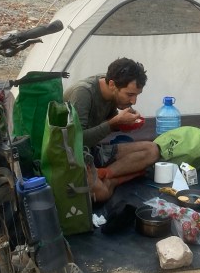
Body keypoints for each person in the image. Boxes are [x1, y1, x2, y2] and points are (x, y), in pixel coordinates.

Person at [65, 58, 161, 203]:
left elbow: (108, 120)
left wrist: (123, 123)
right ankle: (113, 181)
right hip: (74, 157)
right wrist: (113, 124)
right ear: (112, 85)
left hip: (93, 150)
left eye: (136, 95)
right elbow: (76, 141)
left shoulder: (111, 87)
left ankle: (105, 174)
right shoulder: (83, 93)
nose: (134, 101)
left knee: (152, 150)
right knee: (101, 193)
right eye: (130, 95)